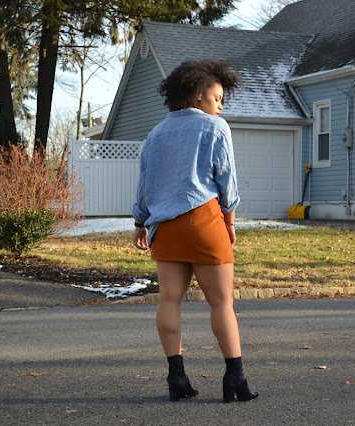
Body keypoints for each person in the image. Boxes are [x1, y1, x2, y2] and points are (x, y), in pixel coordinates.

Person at [132, 59, 258, 403]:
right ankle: (235, 378)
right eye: (217, 98)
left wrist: (140, 223)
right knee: (221, 303)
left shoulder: (156, 133)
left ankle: (177, 377)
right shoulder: (215, 127)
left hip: (165, 227)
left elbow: (144, 184)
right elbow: (226, 179)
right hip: (204, 221)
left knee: (168, 300)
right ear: (200, 95)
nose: (220, 105)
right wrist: (229, 221)